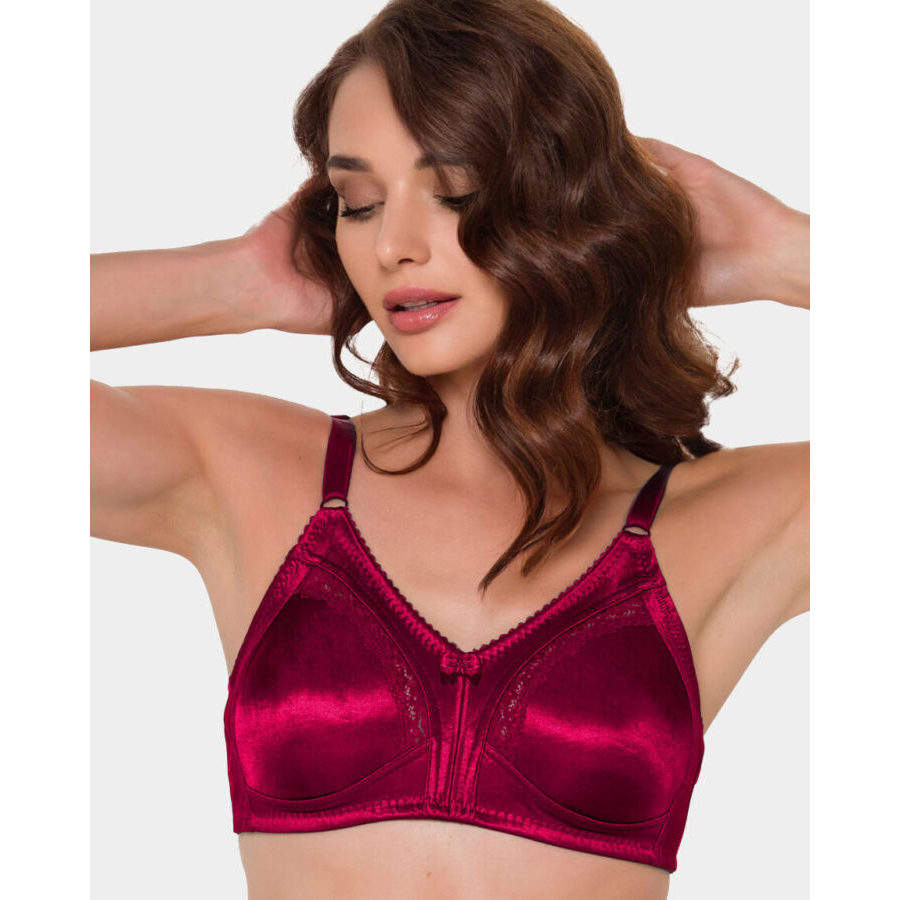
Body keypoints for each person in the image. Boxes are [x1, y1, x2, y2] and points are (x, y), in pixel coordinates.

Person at [90, 1, 809, 897]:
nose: (393, 247)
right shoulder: (249, 472)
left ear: (570, 208)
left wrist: (789, 256)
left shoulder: (736, 518)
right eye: (358, 204)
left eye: (457, 192)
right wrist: (234, 282)